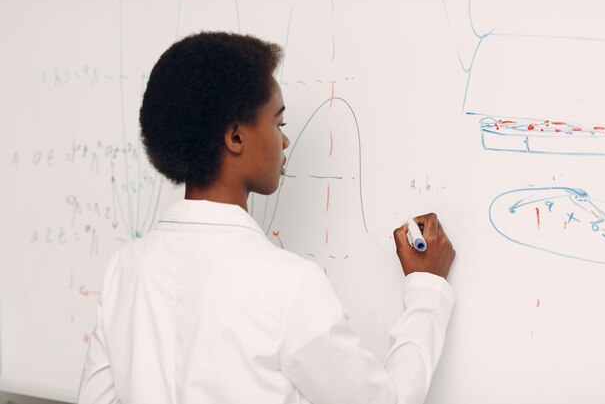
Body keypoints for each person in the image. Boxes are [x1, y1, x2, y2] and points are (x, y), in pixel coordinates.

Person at [78, 31, 456, 404]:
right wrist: (427, 290)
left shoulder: (124, 271)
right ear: (236, 138)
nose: (284, 141)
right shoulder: (287, 286)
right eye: (279, 124)